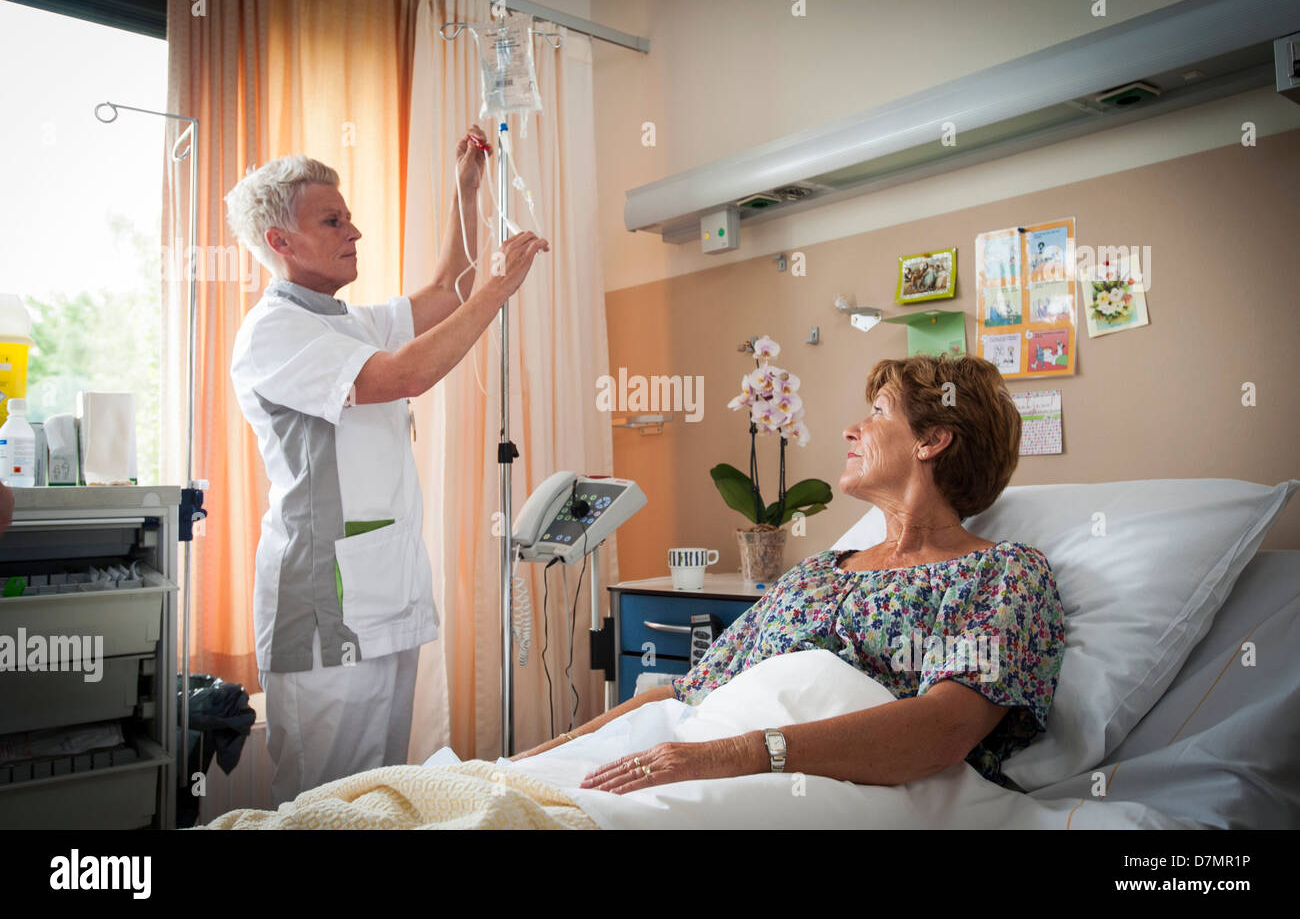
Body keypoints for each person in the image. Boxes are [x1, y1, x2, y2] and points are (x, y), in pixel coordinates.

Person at [516, 353, 1066, 796]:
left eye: (877, 412)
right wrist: (534, 757)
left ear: (932, 440)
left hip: (797, 783)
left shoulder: (1003, 575)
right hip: (692, 748)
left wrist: (735, 755)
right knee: (493, 793)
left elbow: (943, 729)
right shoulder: (813, 574)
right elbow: (684, 692)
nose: (852, 429)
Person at [225, 126, 549, 805]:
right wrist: (500, 289)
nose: (355, 231)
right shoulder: (275, 329)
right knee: (323, 803)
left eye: (348, 216)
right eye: (333, 220)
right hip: (326, 610)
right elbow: (407, 375)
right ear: (280, 242)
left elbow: (447, 294)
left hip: (383, 591)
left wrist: (467, 189)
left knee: (378, 798)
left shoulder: (345, 320)